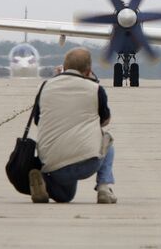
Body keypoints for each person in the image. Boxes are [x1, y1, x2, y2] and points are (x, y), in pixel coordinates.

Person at [27, 47, 117, 204]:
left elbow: (37, 121)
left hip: (53, 165)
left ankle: (45, 183)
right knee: (107, 140)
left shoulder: (45, 87)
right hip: (87, 163)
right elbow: (105, 121)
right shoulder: (96, 89)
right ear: (89, 70)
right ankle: (103, 188)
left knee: (65, 194)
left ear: (64, 66)